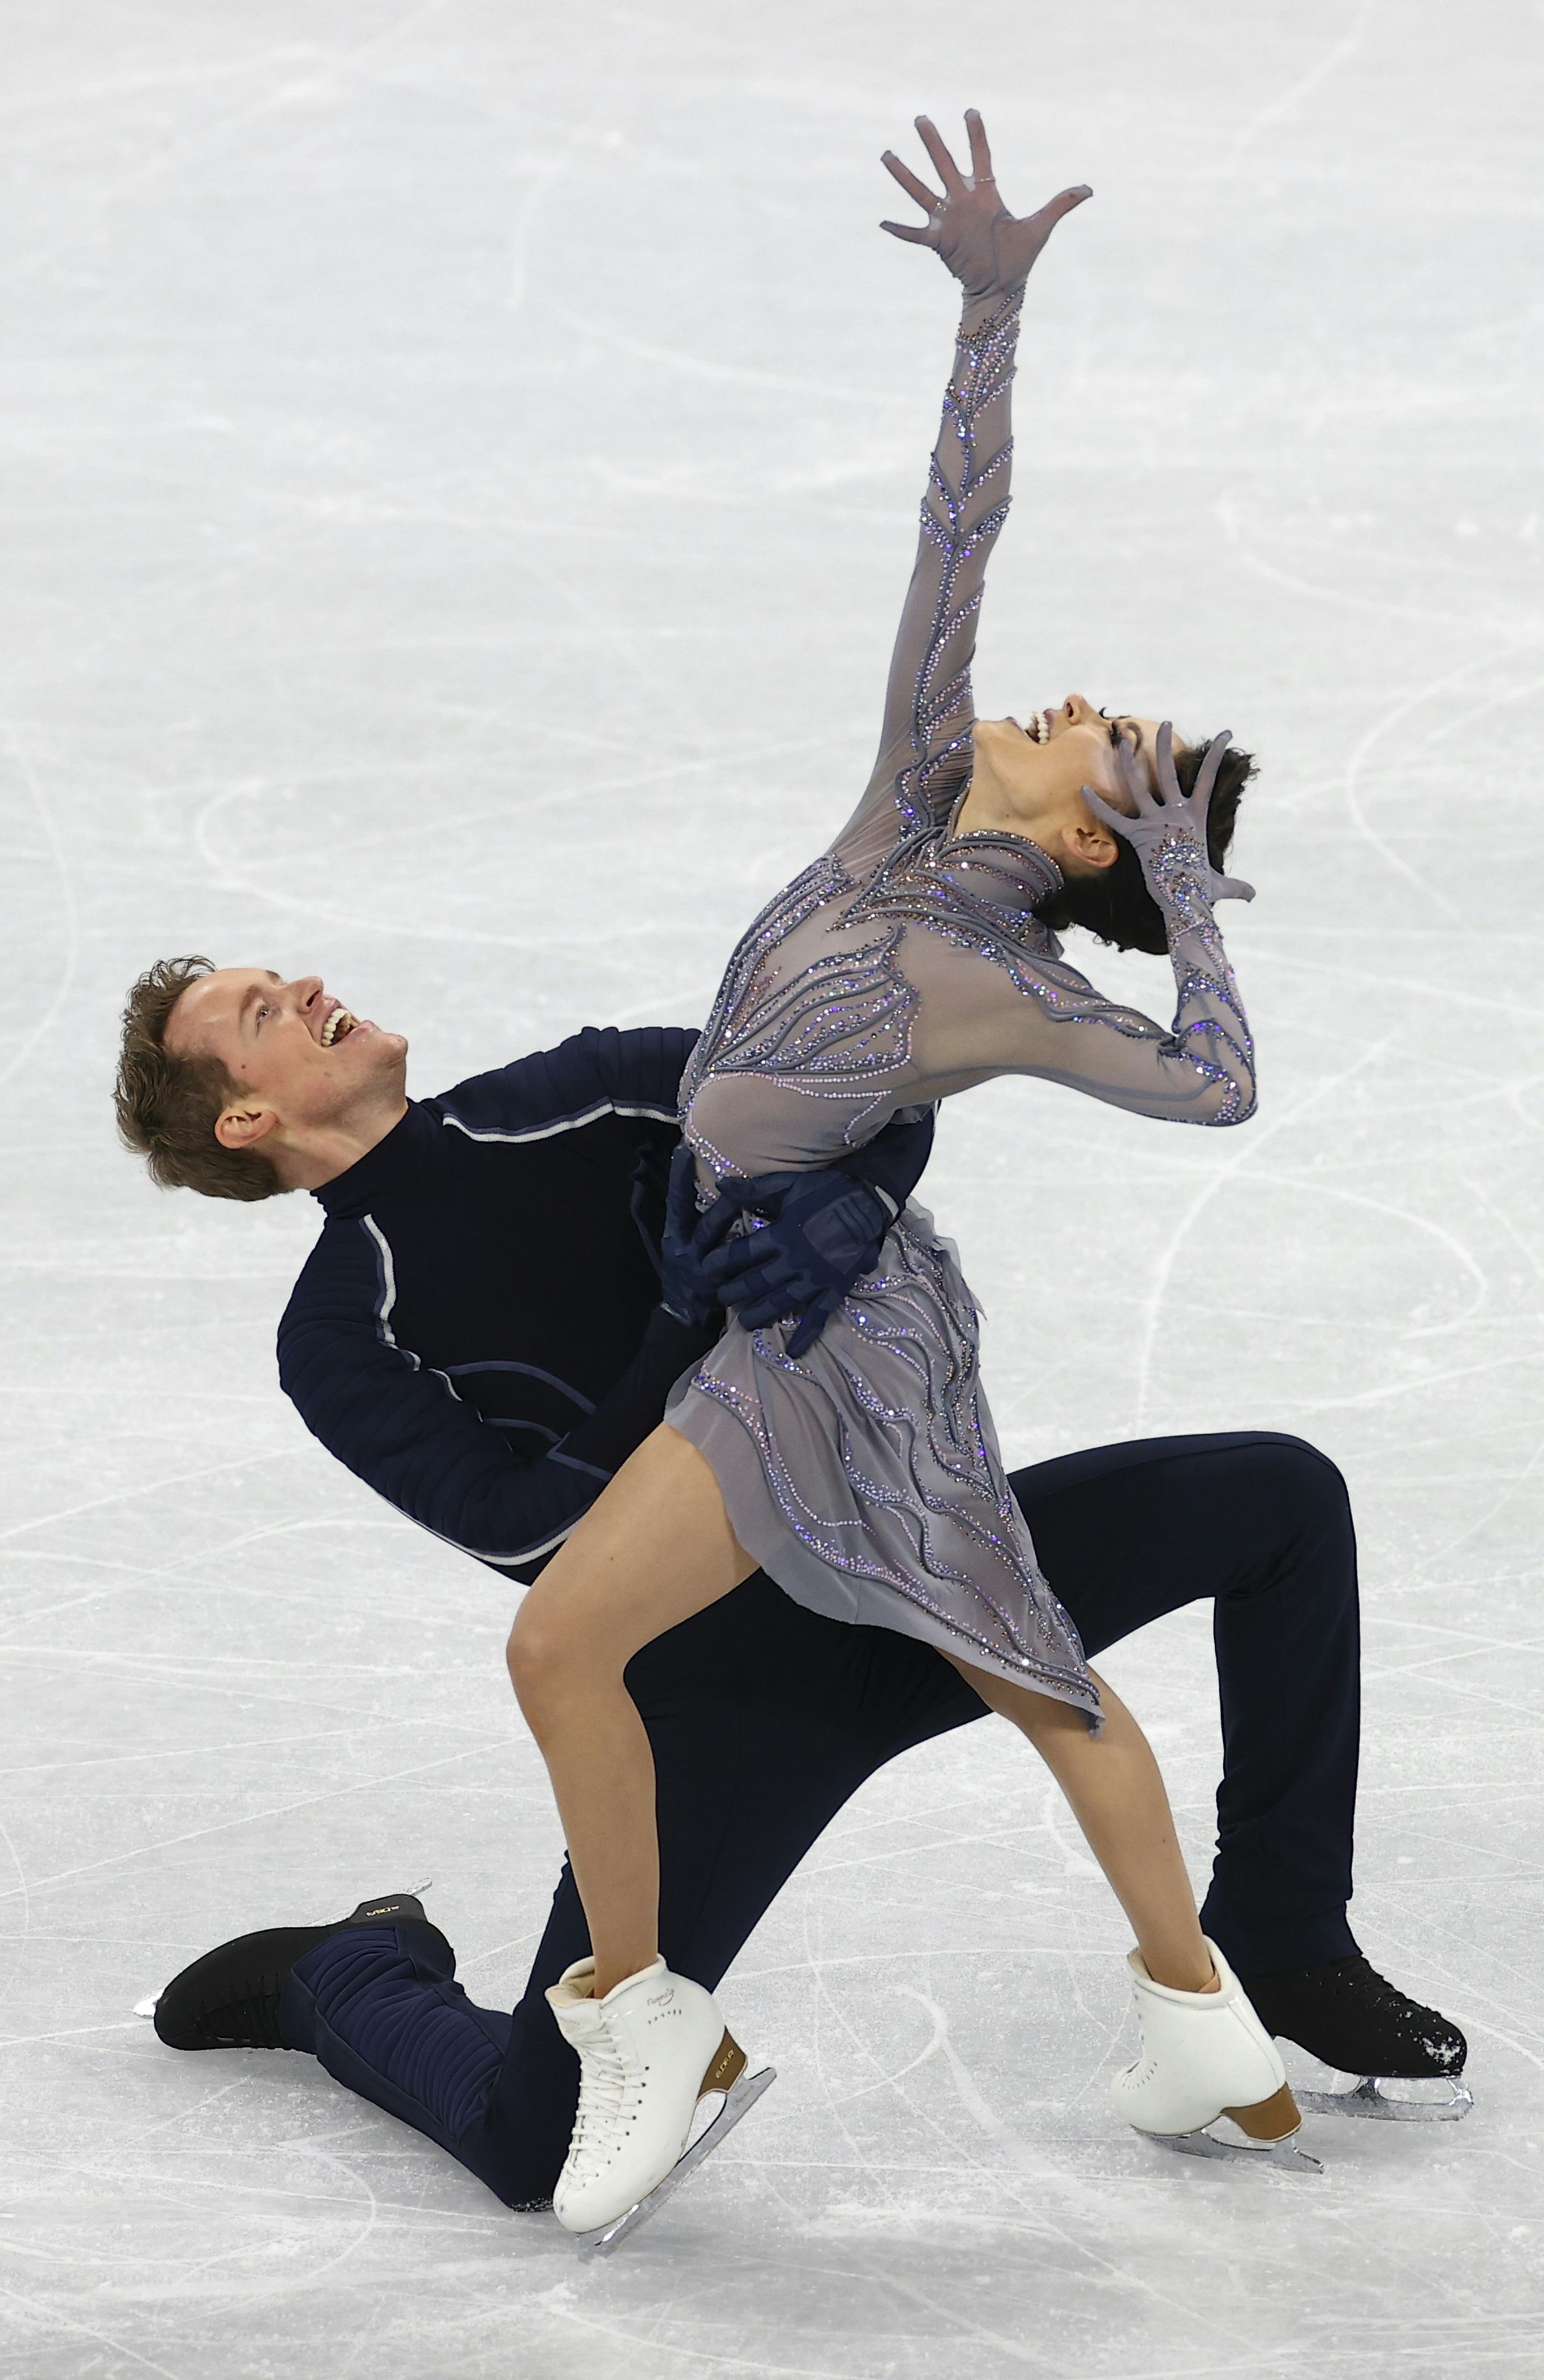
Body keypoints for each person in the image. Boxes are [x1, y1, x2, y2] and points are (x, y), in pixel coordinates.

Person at [482, 108, 1393, 2238]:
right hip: (821, 1313)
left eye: (1110, 735)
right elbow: (953, 537)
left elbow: (1214, 1090)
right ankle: (1199, 2024)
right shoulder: (906, 806)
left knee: (608, 1654)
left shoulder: (991, 980)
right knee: (1030, 1662)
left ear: (1090, 839)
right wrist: (989, 312)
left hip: (824, 1347)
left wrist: (1188, 881)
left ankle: (643, 2019)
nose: (1074, 700)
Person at [113, 983, 1468, 2247]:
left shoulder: (588, 1091)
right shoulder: (339, 1334)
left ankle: (1284, 1939)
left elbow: (873, 1085)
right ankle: (348, 1975)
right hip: (722, 1703)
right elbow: (523, 1527)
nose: (299, 989)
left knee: (1279, 1499)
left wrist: (854, 1206)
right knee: (535, 2146)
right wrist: (670, 1334)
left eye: (282, 976)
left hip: (912, 1567)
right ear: (247, 1117)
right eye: (255, 1010)